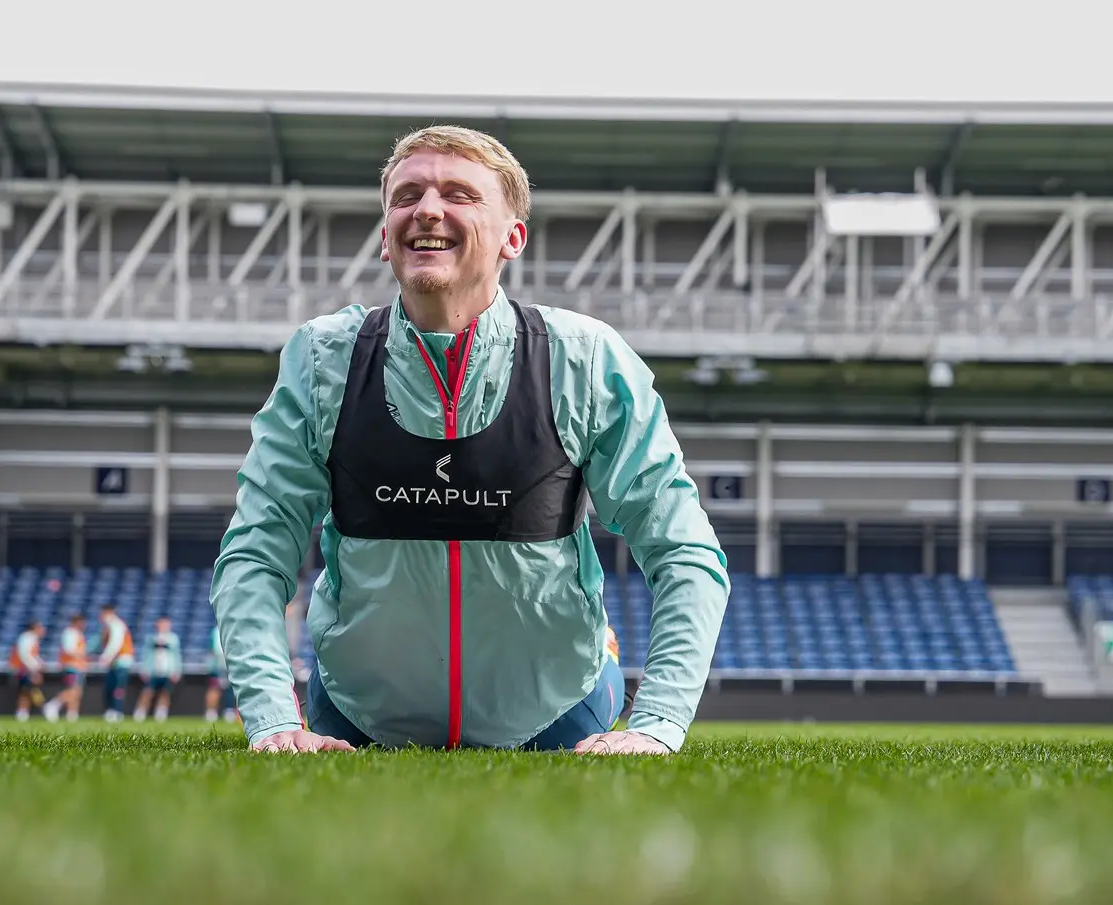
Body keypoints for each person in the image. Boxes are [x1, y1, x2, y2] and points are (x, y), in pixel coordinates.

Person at [211, 125, 730, 756]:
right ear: (384, 237)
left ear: (514, 236)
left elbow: (686, 554)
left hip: (557, 718)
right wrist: (271, 720)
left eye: (459, 194)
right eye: (406, 197)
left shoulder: (585, 360)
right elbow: (255, 550)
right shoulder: (324, 360)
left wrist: (657, 725)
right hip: (355, 720)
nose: (427, 209)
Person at [133, 616, 182, 722]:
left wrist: (177, 670)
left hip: (167, 671)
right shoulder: (151, 638)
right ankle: (140, 712)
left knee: (165, 693)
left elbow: (177, 656)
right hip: (153, 670)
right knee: (147, 692)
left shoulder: (173, 639)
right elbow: (146, 655)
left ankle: (161, 712)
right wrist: (144, 669)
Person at [93, 604, 135, 722]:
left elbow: (116, 643)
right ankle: (110, 710)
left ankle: (117, 711)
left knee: (118, 688)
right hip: (114, 662)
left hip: (122, 660)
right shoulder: (107, 627)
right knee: (110, 687)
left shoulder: (117, 624)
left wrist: (106, 657)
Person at [44, 612, 88, 723]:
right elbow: (68, 650)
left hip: (79, 666)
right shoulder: (70, 633)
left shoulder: (78, 634)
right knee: (72, 690)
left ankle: (72, 715)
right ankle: (53, 704)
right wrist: (80, 654)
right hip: (71, 666)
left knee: (77, 692)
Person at [8, 620, 47, 721]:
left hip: (25, 668)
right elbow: (25, 655)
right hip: (24, 669)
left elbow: (32, 655)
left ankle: (24, 712)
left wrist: (40, 663)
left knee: (28, 690)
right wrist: (34, 668)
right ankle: (39, 709)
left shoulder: (31, 638)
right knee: (28, 690)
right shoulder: (28, 637)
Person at [205, 624, 238, 724]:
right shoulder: (215, 631)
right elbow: (215, 650)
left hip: (230, 666)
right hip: (217, 666)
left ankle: (229, 710)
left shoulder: (233, 629)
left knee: (230, 690)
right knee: (215, 688)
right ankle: (211, 712)